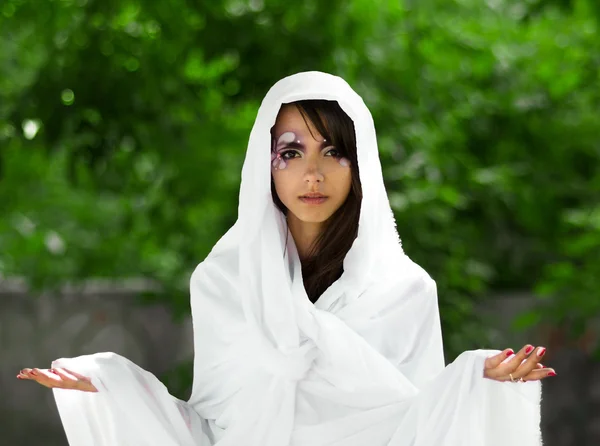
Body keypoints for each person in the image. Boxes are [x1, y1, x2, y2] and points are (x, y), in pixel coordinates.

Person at [17, 71, 556, 445]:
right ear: (264, 165)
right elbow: (210, 430)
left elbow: (417, 428)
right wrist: (114, 388)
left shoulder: (407, 290)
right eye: (291, 153)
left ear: (360, 163)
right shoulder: (223, 283)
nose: (312, 175)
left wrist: (472, 380)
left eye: (334, 152)